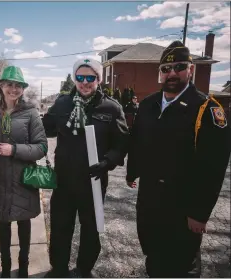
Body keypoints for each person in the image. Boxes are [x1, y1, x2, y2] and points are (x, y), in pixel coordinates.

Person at [126, 41, 231, 277]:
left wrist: (200, 213)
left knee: (181, 264)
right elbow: (138, 141)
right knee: (153, 257)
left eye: (179, 66)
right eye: (166, 68)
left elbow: (213, 167)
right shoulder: (147, 105)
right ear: (160, 73)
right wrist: (132, 171)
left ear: (190, 70)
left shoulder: (206, 109)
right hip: (150, 201)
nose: (172, 73)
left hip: (183, 206)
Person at [42, 58, 130, 278]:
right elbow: (45, 128)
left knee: (90, 228)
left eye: (90, 78)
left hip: (94, 180)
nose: (84, 82)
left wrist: (108, 162)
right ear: (75, 78)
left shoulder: (111, 107)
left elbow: (122, 143)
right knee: (61, 226)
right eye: (80, 77)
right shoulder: (62, 104)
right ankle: (59, 268)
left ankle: (84, 269)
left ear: (98, 79)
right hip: (63, 179)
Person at [0, 66, 48, 278]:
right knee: (3, 222)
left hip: (23, 179)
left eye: (18, 85)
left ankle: (24, 265)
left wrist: (15, 149)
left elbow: (41, 147)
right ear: (1, 86)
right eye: (9, 84)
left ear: (22, 89)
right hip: (0, 178)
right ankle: (6, 266)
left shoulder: (30, 113)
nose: (13, 89)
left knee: (24, 221)